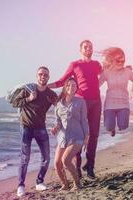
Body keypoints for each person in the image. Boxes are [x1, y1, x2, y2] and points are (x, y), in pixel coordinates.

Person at [48, 40, 102, 179]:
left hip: (96, 101)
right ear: (80, 50)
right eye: (85, 47)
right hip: (80, 102)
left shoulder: (97, 65)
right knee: (78, 134)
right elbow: (62, 81)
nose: (88, 48)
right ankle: (77, 167)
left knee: (94, 135)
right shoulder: (75, 64)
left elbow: (106, 74)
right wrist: (46, 86)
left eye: (90, 47)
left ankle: (90, 166)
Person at [11, 66, 57, 197]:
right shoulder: (28, 89)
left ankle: (39, 182)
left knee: (46, 157)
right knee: (25, 158)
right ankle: (20, 185)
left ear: (48, 77)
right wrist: (29, 99)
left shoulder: (50, 94)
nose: (43, 76)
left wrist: (58, 125)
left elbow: (60, 107)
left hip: (41, 128)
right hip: (26, 127)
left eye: (46, 75)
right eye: (41, 74)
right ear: (37, 76)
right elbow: (15, 103)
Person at [51, 78, 89, 191]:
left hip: (77, 136)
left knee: (66, 160)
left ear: (76, 88)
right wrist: (55, 128)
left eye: (74, 85)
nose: (71, 87)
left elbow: (84, 120)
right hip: (63, 137)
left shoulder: (81, 102)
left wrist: (87, 136)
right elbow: (58, 121)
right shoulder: (58, 103)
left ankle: (77, 184)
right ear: (65, 87)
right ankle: (65, 184)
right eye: (68, 85)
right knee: (57, 163)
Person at [99, 47, 133, 136]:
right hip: (110, 104)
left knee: (123, 126)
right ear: (112, 60)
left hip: (123, 103)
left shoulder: (128, 71)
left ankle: (120, 123)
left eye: (122, 61)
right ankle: (112, 129)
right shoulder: (106, 72)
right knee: (108, 127)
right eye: (118, 60)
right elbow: (96, 85)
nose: (120, 63)